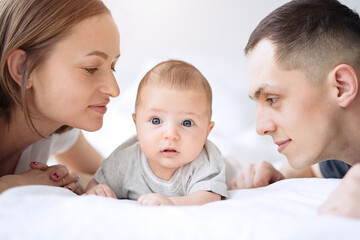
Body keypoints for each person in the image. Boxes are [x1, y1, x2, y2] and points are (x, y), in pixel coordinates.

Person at [230, 0, 360, 218]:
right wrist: (279, 175)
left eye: (272, 99)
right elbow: (315, 169)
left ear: (341, 87)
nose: (261, 128)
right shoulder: (343, 150)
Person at [0, 0, 120, 194]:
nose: (115, 90)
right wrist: (16, 184)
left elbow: (104, 176)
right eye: (91, 69)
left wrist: (72, 183)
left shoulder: (51, 125)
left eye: (113, 67)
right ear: (22, 69)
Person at [85, 60, 227, 205]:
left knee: (231, 171)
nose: (171, 134)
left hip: (225, 169)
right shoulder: (124, 161)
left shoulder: (206, 161)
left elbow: (209, 197)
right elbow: (96, 182)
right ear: (137, 125)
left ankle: (232, 163)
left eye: (187, 123)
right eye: (156, 121)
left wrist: (171, 202)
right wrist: (97, 189)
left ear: (207, 132)